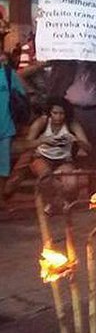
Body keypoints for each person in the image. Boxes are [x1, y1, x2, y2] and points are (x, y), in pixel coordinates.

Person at [24, 99, 91, 212]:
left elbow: (88, 148)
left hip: (64, 160)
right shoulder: (42, 122)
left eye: (62, 113)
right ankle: (54, 201)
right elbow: (26, 144)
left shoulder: (71, 124)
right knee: (46, 178)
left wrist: (76, 140)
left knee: (71, 183)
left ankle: (61, 201)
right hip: (42, 157)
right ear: (50, 113)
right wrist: (42, 141)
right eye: (55, 113)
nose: (59, 117)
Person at [47, 61, 96, 170]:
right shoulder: (65, 65)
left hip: (94, 111)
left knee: (95, 148)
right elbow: (55, 84)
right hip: (70, 110)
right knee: (69, 148)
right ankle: (69, 176)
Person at [0, 50, 28, 212]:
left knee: (3, 167)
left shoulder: (9, 75)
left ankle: (2, 200)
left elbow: (23, 95)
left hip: (6, 127)